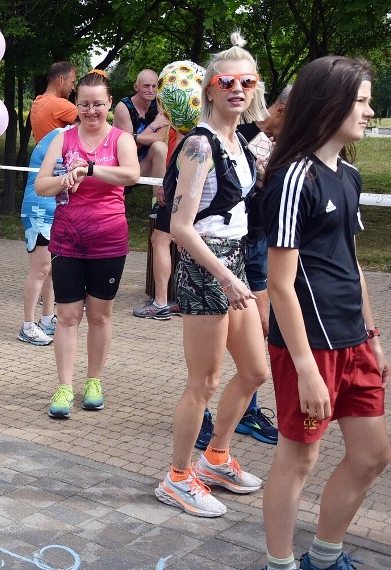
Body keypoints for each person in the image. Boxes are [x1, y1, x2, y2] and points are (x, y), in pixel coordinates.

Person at [261, 56, 390, 570]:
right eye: (360, 101)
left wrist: (373, 333)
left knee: (372, 455)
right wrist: (308, 370)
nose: (369, 110)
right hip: (307, 346)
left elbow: (350, 261)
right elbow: (279, 283)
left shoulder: (350, 175)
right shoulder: (294, 177)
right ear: (329, 103)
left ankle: (325, 554)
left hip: (354, 340)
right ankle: (280, 563)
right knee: (299, 460)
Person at [154, 32, 269, 518]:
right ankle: (177, 477)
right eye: (226, 80)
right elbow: (181, 228)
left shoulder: (240, 140)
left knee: (255, 371)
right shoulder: (199, 145)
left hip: (234, 259)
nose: (237, 88)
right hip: (208, 267)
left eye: (247, 80)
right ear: (210, 88)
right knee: (204, 380)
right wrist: (224, 275)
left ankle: (217, 457)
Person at [34, 71, 139, 418]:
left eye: (98, 104)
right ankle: (64, 386)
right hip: (67, 239)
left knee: (99, 316)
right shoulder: (62, 139)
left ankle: (94, 381)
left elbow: (131, 175)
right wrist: (65, 178)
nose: (91, 111)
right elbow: (41, 185)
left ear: (109, 103)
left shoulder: (121, 139)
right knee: (66, 316)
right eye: (84, 104)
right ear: (75, 104)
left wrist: (90, 170)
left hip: (109, 240)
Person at [195, 87, 293, 450]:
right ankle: (202, 416)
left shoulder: (269, 142)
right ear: (281, 110)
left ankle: (242, 416)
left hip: (254, 246)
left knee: (256, 346)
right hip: (223, 253)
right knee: (210, 357)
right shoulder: (235, 136)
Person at [115, 69, 175, 320]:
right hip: (123, 167)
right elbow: (126, 143)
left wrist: (143, 135)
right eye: (146, 86)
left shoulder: (160, 105)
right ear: (136, 87)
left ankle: (157, 201)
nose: (151, 91)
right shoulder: (122, 107)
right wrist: (150, 127)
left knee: (160, 147)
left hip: (146, 165)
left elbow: (159, 138)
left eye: (154, 87)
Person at [18, 126, 72, 346]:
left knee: (51, 269)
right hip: (39, 208)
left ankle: (47, 318)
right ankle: (27, 325)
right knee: (40, 269)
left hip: (54, 208)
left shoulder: (68, 135)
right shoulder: (63, 137)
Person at [30, 62, 78, 143]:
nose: (73, 87)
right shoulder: (60, 104)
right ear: (61, 80)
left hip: (43, 154)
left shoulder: (37, 102)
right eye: (72, 82)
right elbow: (92, 123)